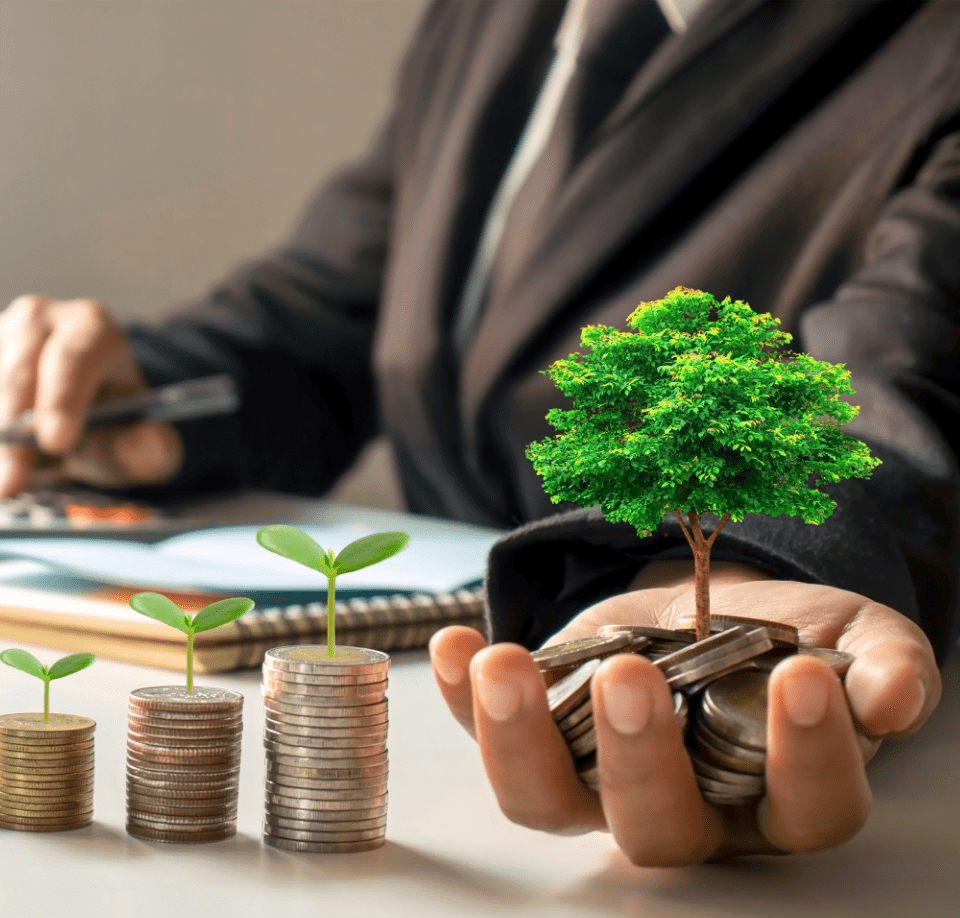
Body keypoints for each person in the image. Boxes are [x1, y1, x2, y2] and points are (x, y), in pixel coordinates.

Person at [1, 0, 957, 864]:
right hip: (437, 750)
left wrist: (760, 564)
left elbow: (901, 378)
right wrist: (134, 400)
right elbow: (333, 312)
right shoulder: (484, 14)